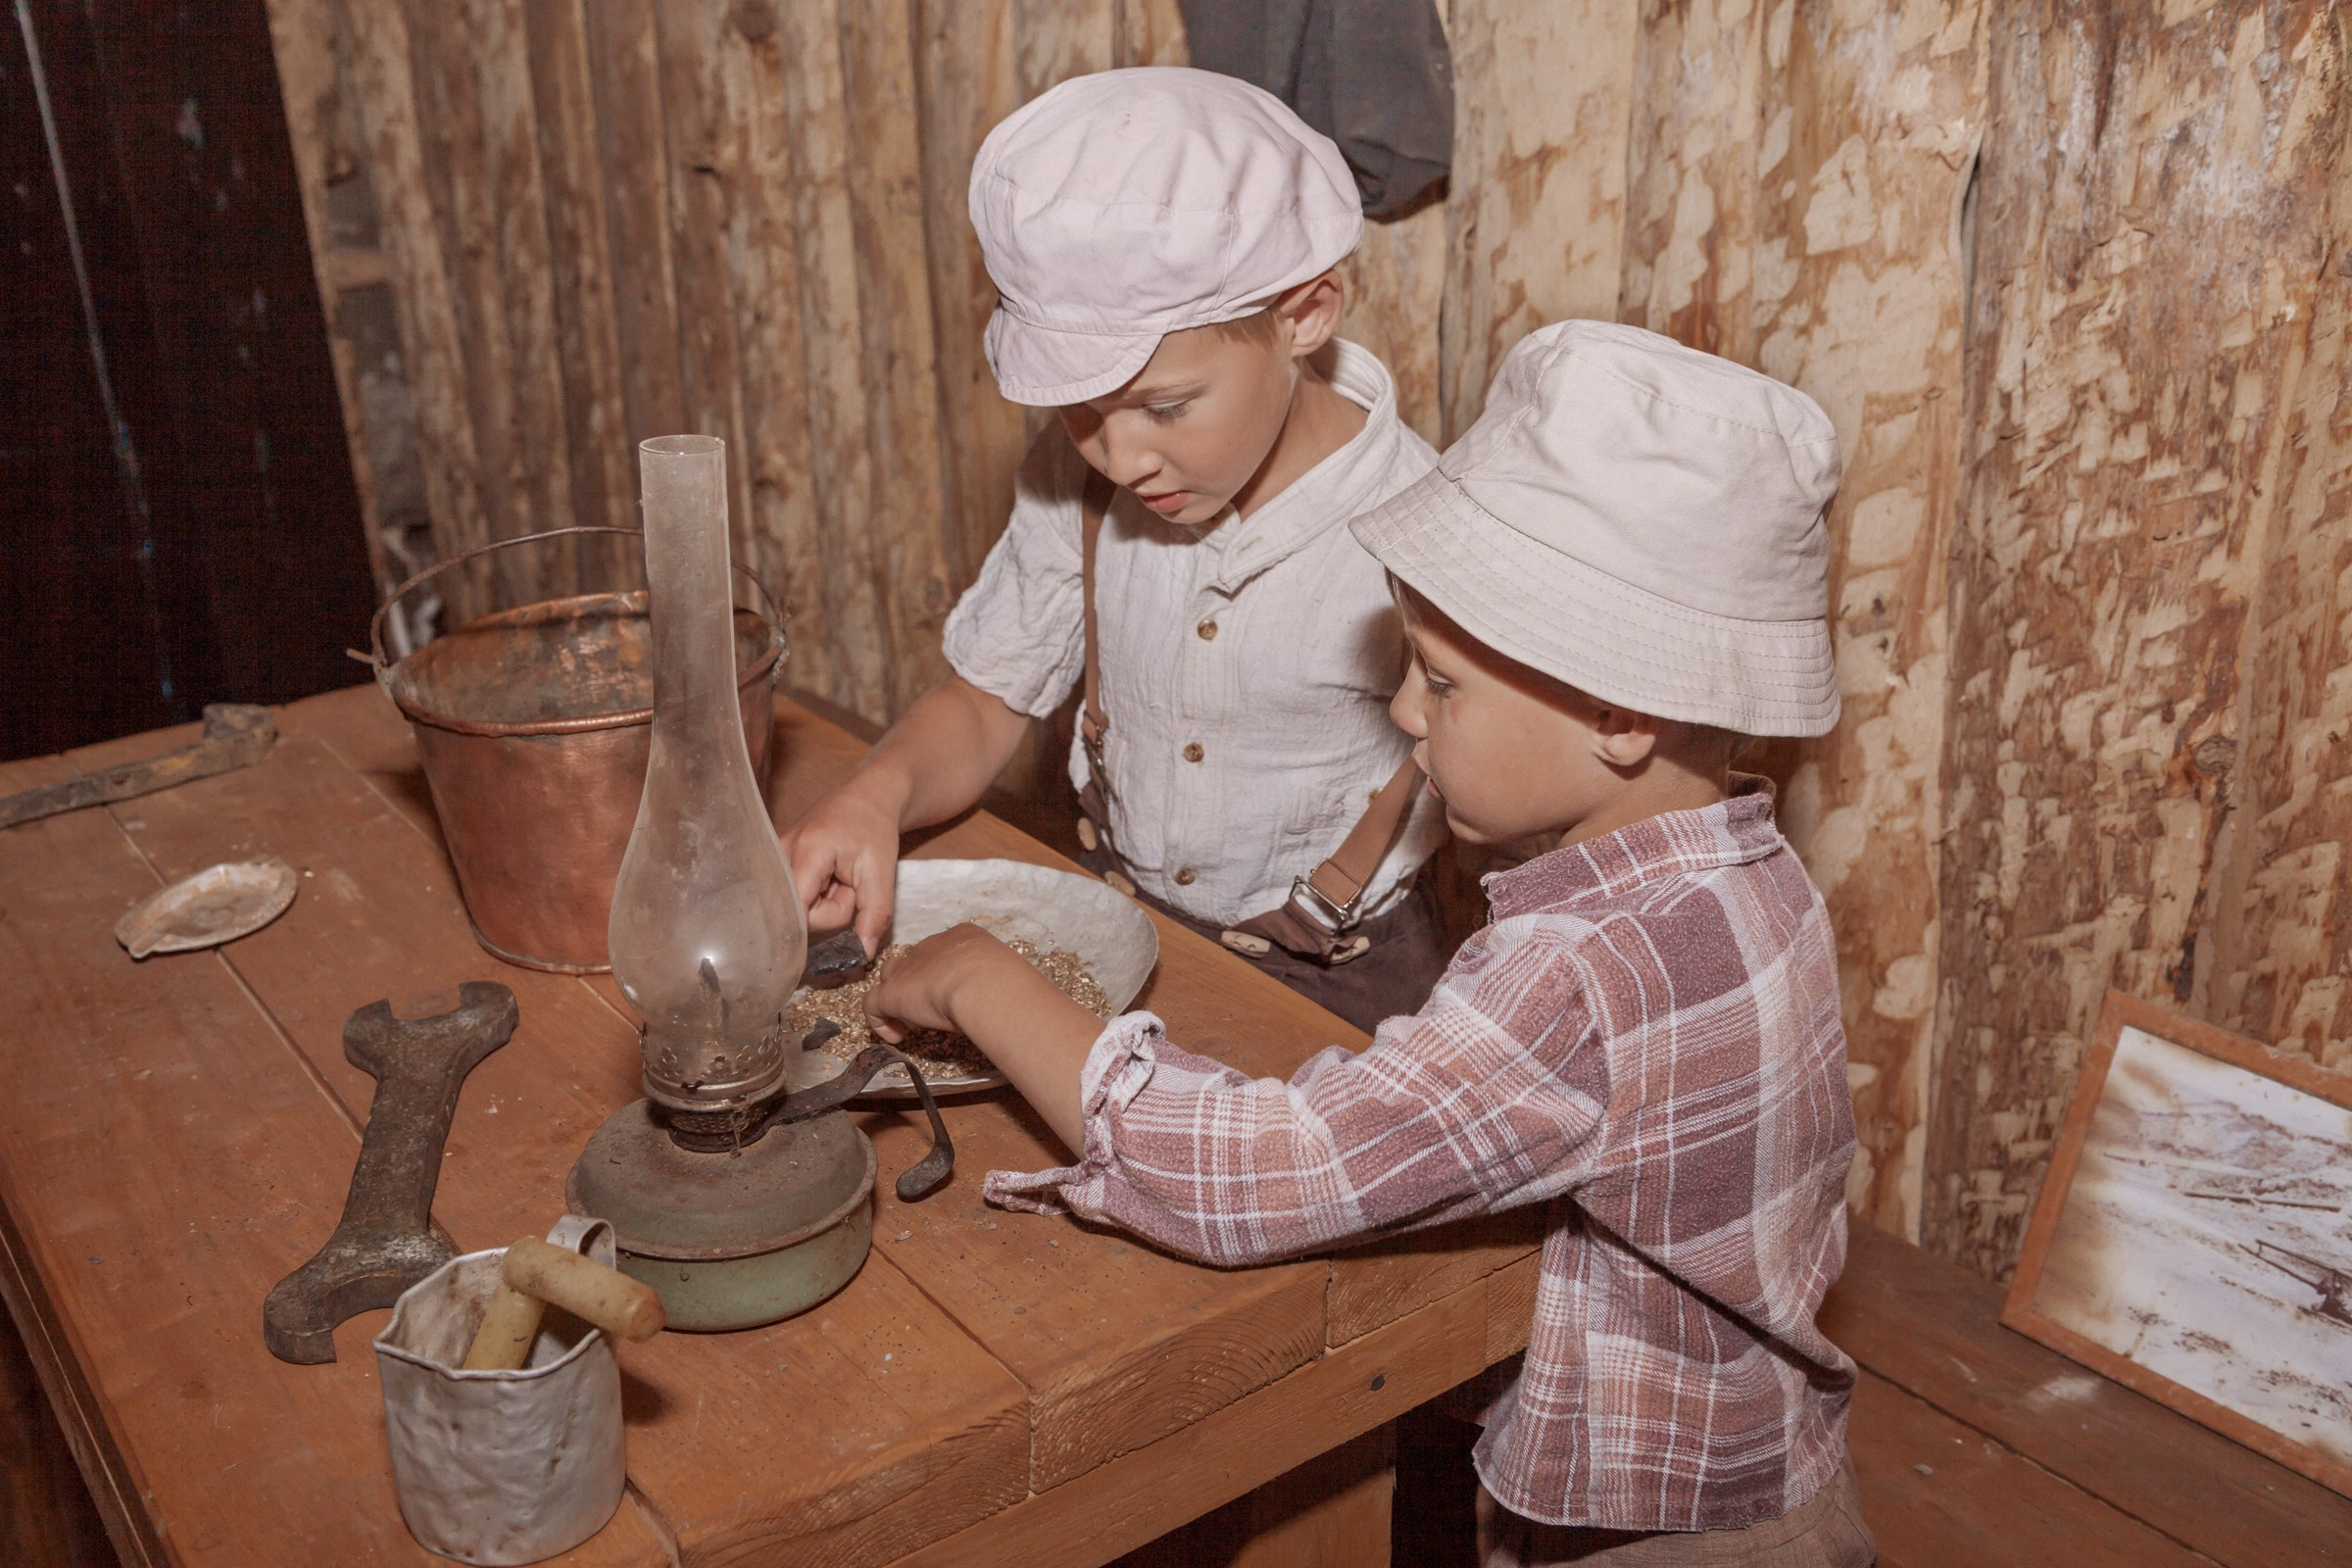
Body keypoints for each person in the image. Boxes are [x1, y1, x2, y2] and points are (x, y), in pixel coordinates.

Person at [861, 320, 1877, 1567]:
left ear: (1621, 716)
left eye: (1442, 684)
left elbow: (1260, 1174)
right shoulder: (1752, 876)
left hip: (1646, 1536)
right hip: (1771, 1471)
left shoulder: (1573, 975)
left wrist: (977, 973)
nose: (1403, 708)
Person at [781, 67, 1448, 1031]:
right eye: (1081, 412)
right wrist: (873, 797)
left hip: (1346, 986)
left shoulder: (1423, 531)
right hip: (1121, 927)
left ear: (1302, 318)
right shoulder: (1081, 480)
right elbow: (983, 701)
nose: (1122, 456)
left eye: (1164, 406)